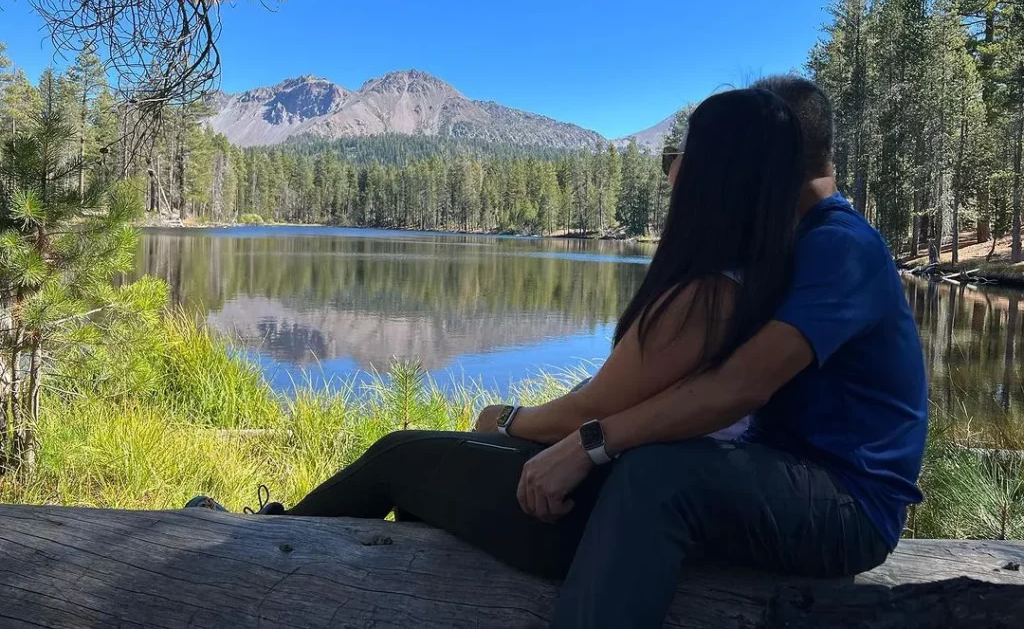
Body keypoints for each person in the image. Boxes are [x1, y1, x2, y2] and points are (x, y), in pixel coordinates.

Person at [186, 86, 809, 582]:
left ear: (714, 177)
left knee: (399, 455)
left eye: (684, 158)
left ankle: (263, 542)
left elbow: (596, 408)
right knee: (425, 472)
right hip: (616, 491)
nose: (672, 174)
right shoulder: (753, 277)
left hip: (590, 515)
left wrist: (506, 419)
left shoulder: (705, 296)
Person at [522, 75, 928, 628]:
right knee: (639, 465)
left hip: (850, 503)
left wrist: (591, 442)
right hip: (780, 473)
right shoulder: (789, 241)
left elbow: (740, 386)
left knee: (658, 477)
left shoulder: (840, 246)